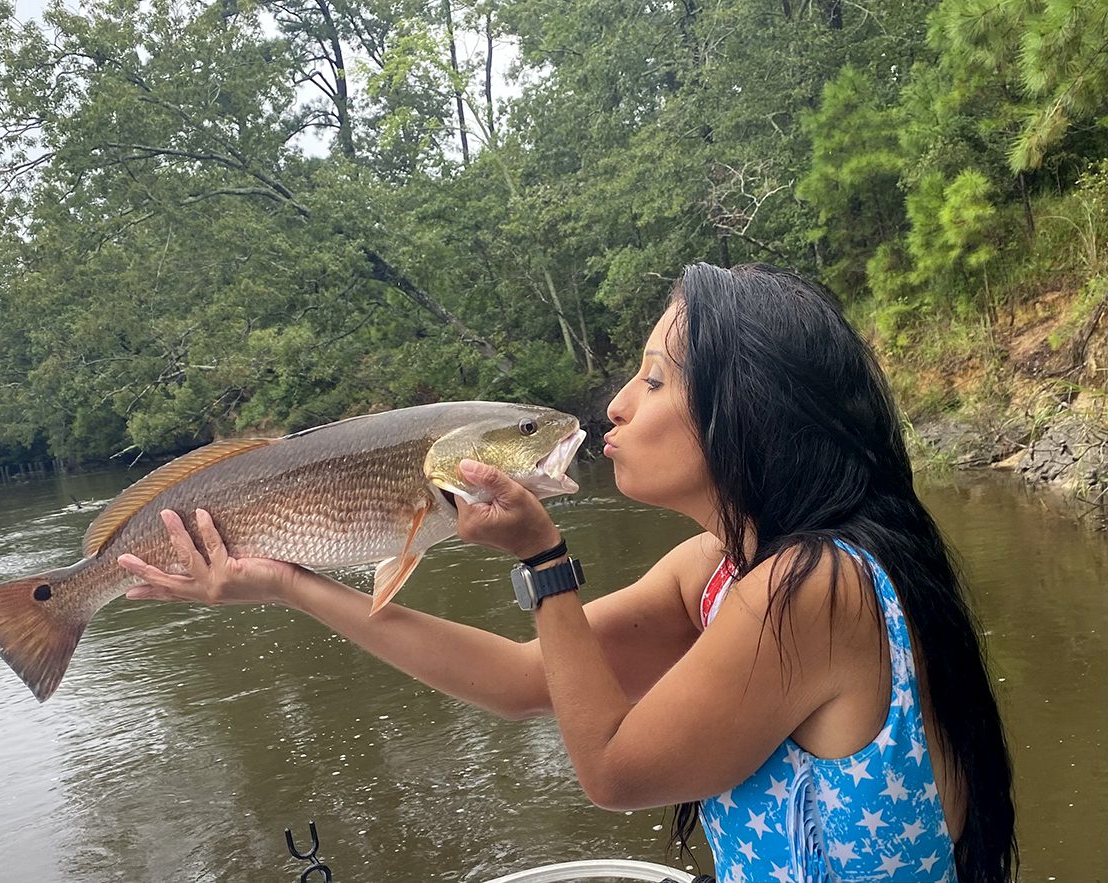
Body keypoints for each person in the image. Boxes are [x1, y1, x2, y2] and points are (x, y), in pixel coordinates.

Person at [117, 262, 1017, 882]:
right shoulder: (720, 568)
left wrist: (546, 562)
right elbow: (520, 681)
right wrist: (286, 582)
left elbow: (615, 771)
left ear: (753, 415)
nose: (618, 403)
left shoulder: (816, 587)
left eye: (656, 380)